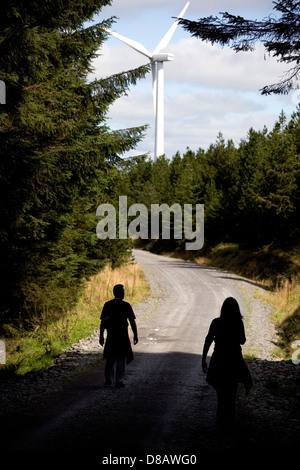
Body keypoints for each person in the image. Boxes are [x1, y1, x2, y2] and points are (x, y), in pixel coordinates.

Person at [202, 297, 253, 426]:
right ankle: (230, 423)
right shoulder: (238, 323)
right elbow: (242, 340)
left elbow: (208, 340)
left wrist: (203, 359)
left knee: (221, 394)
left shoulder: (216, 322)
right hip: (234, 360)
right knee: (232, 393)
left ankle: (220, 423)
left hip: (219, 360)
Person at [99, 284, 138, 388]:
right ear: (121, 293)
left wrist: (101, 336)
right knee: (121, 358)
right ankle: (119, 381)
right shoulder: (126, 305)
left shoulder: (108, 305)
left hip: (111, 335)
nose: (124, 293)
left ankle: (108, 379)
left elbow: (103, 322)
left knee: (110, 358)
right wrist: (135, 335)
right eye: (123, 292)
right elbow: (132, 321)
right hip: (122, 335)